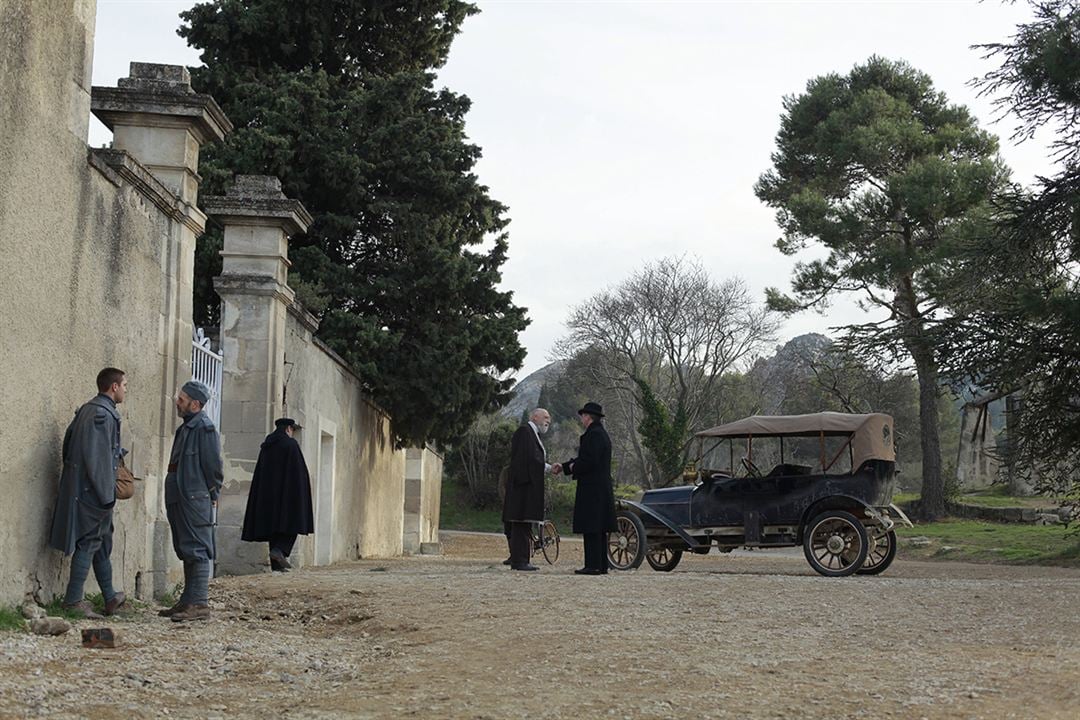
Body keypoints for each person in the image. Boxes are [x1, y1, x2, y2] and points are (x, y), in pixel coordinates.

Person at [48, 368, 129, 618]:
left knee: (102, 542)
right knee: (91, 540)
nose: (126, 389)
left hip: (88, 487)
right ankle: (73, 601)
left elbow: (69, 445)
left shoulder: (90, 409)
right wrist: (105, 495)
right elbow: (96, 459)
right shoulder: (100, 414)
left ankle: (110, 596)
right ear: (113, 387)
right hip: (93, 491)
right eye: (124, 385)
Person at [159, 380, 223, 623]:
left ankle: (199, 603)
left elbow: (214, 467)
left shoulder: (205, 429)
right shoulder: (186, 428)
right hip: (180, 494)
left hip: (194, 496)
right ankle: (188, 600)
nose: (178, 402)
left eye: (182, 399)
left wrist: (211, 494)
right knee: (185, 546)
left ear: (195, 404)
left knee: (197, 547)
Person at [240, 418, 314, 572]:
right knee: (294, 522)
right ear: (288, 429)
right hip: (287, 494)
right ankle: (280, 550)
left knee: (273, 528)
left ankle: (277, 567)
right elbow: (298, 472)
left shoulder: (267, 446)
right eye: (292, 430)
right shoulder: (290, 445)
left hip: (268, 496)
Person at [562, 402, 616, 575]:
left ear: (588, 417)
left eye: (583, 416)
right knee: (599, 527)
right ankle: (601, 565)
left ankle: (592, 565)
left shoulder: (593, 435)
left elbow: (588, 461)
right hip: (601, 487)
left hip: (592, 488)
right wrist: (565, 466)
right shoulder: (601, 434)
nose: (581, 419)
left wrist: (570, 468)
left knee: (592, 526)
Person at [502, 408, 560, 571]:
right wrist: (548, 468)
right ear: (535, 416)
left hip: (527, 488)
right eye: (546, 417)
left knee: (524, 524)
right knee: (521, 523)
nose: (548, 420)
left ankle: (523, 559)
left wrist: (548, 467)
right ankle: (519, 561)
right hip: (523, 489)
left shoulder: (532, 434)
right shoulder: (524, 432)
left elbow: (534, 459)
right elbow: (526, 460)